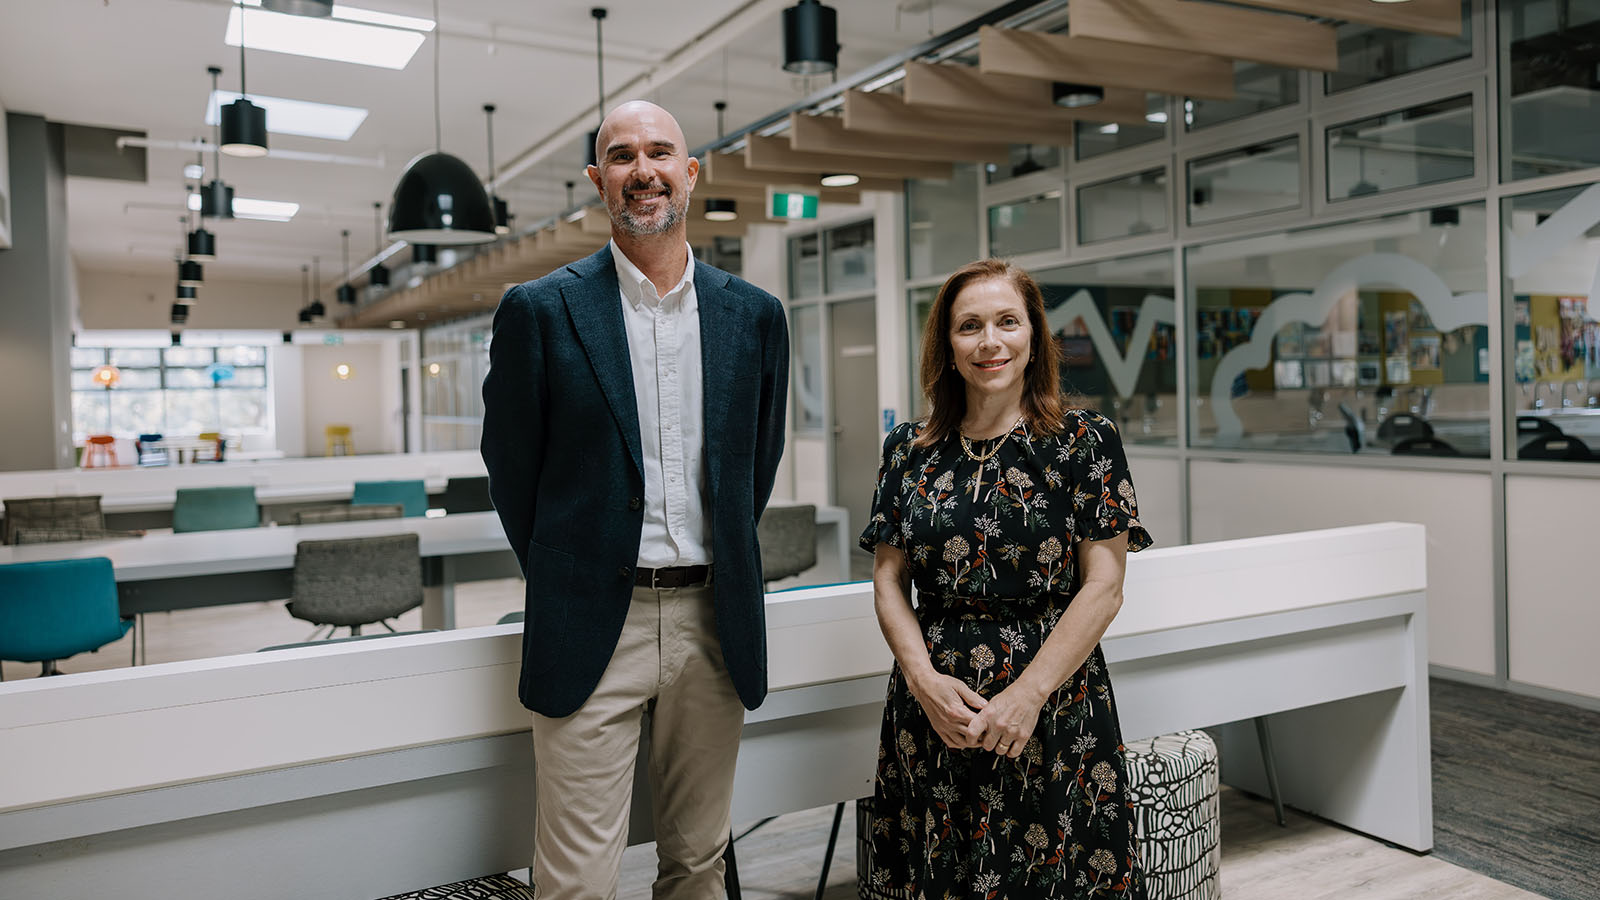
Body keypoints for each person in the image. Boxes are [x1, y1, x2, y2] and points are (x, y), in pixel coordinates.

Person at [481, 100, 788, 900]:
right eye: (621, 156)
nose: (642, 170)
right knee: (578, 880)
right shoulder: (541, 313)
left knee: (697, 863)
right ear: (598, 181)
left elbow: (756, 466)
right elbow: (512, 473)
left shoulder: (753, 317)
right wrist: (574, 567)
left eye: (660, 153)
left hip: (714, 622)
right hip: (590, 622)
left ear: (690, 174)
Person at [859, 258, 1151, 899]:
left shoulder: (1084, 440)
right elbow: (888, 580)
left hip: (1052, 708)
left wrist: (1027, 695)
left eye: (1006, 322)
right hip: (935, 715)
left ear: (1034, 335)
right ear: (947, 343)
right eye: (969, 326)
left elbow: (1105, 585)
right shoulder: (907, 448)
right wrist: (923, 681)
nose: (989, 342)